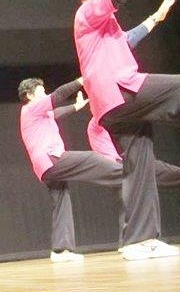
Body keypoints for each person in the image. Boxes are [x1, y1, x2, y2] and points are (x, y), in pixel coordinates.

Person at [72, 0, 180, 260]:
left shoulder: (99, 27)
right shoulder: (88, 11)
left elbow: (125, 41)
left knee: (139, 164)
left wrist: (154, 19)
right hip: (120, 91)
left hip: (112, 108)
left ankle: (138, 241)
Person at [18, 77, 125, 262]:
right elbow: (58, 95)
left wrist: (76, 106)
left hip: (44, 167)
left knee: (62, 201)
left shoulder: (38, 114)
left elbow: (56, 113)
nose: (45, 95)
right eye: (41, 92)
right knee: (91, 159)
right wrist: (80, 81)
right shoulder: (31, 108)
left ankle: (61, 251)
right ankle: (127, 173)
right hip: (51, 159)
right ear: (29, 95)